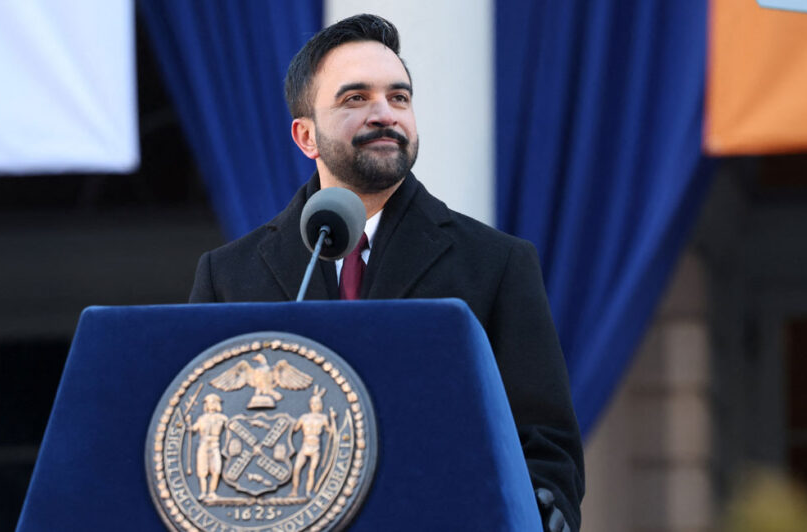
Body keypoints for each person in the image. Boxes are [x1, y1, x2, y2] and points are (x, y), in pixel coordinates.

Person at [189, 14, 583, 532]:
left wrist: (540, 507)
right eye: (356, 98)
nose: (385, 114)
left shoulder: (497, 263)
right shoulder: (228, 275)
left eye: (399, 98)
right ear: (306, 136)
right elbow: (197, 428)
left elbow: (546, 445)